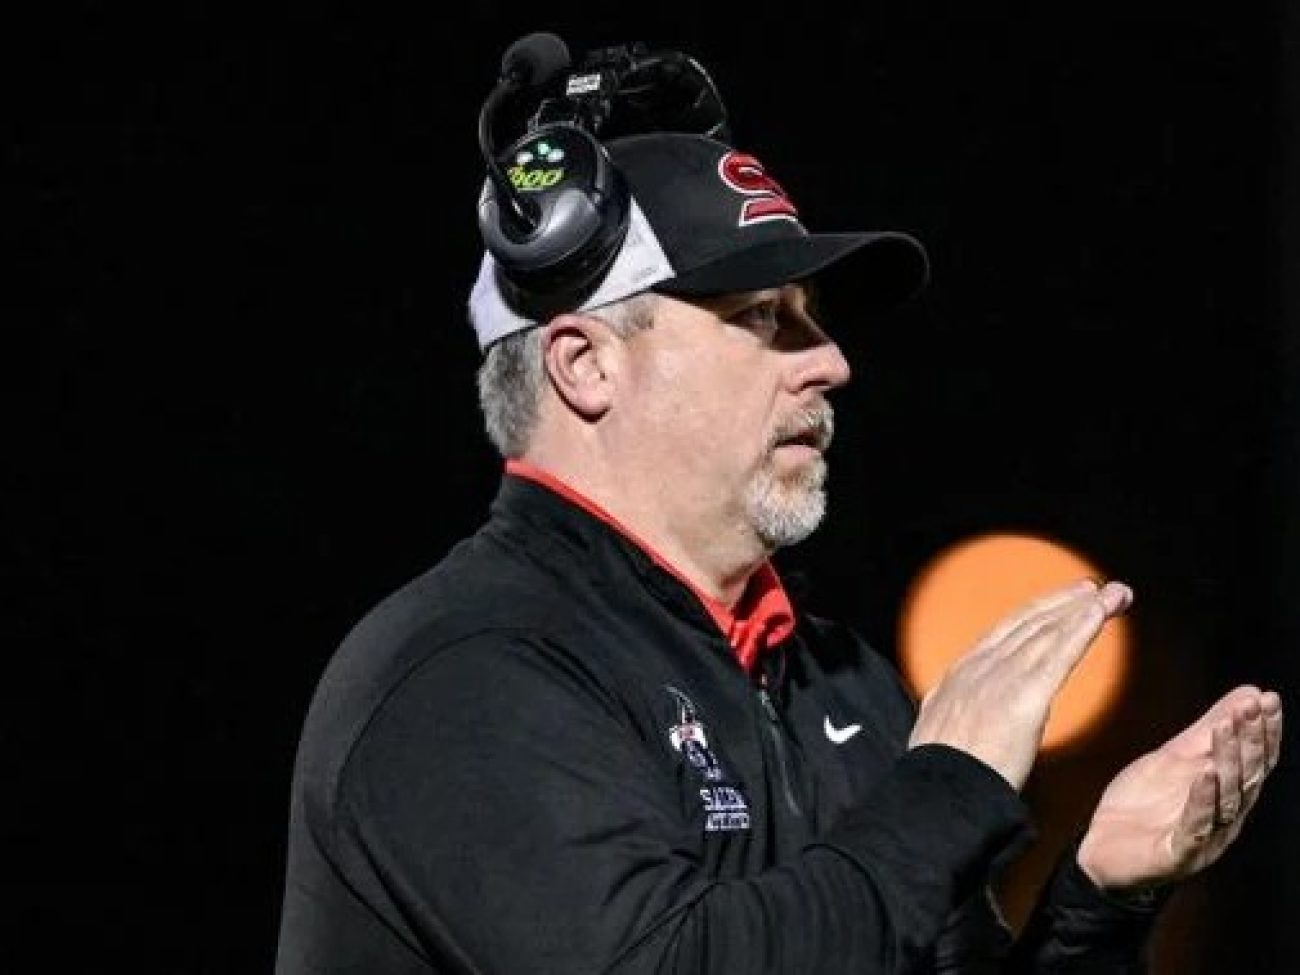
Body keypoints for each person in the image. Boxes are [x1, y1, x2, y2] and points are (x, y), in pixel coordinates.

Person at [273, 60, 1284, 974]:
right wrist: (950, 781)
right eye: (761, 317)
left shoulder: (833, 680)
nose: (831, 361)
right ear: (586, 367)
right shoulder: (461, 671)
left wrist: (1098, 904)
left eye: (813, 315)